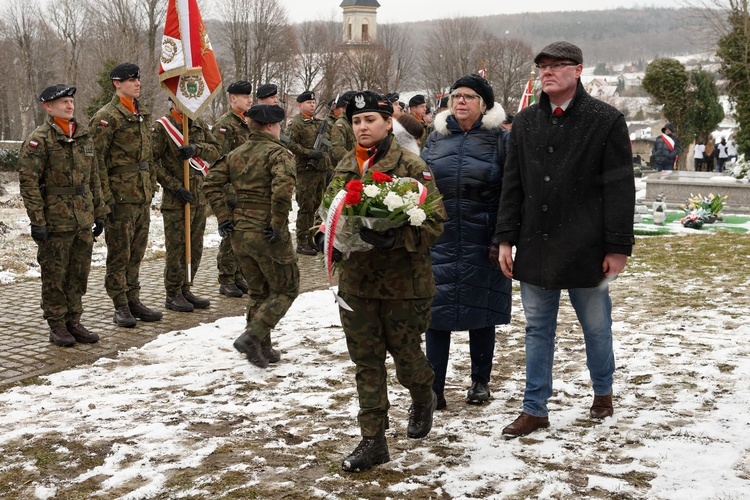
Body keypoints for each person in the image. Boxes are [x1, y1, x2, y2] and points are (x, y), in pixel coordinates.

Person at [495, 41, 635, 438]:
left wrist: (618, 247)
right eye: (542, 66)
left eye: (557, 65)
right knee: (538, 328)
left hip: (588, 248)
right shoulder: (523, 122)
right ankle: (534, 408)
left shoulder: (605, 119)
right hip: (536, 246)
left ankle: (603, 393)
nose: (547, 72)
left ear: (578, 70)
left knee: (596, 326)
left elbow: (620, 188)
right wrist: (505, 239)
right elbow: (513, 186)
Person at [314, 91, 446, 473]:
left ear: (388, 122)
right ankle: (373, 439)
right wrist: (323, 236)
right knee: (366, 362)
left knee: (407, 358)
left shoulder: (410, 166)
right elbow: (327, 211)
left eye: (370, 119)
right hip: (356, 283)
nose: (363, 127)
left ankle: (424, 392)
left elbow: (436, 222)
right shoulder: (344, 166)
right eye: (356, 121)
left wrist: (398, 237)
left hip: (404, 284)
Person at [421, 74, 512, 410]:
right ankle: (434, 388)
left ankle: (480, 381)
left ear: (484, 104)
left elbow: (510, 192)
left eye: (469, 96)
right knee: (437, 313)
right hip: (440, 238)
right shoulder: (435, 138)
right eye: (456, 96)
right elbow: (421, 184)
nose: (461, 101)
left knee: (482, 312)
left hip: (483, 237)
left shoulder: (500, 140)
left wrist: (502, 237)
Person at [204, 104, 299, 367]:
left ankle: (262, 349)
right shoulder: (279, 154)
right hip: (267, 231)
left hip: (240, 232)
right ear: (270, 126)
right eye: (279, 125)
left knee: (259, 292)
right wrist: (277, 223)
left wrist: (224, 217)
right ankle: (252, 337)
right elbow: (282, 191)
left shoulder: (236, 153)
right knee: (286, 289)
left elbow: (210, 182)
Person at [18, 84, 107, 347]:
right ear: (48, 106)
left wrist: (100, 212)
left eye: (71, 101)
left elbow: (95, 177)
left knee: (79, 273)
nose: (70, 106)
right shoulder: (40, 140)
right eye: (63, 102)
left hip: (82, 218)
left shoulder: (83, 136)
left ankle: (74, 321)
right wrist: (38, 221)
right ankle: (57, 324)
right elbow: (29, 183)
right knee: (55, 274)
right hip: (55, 220)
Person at [89, 63, 163, 328]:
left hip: (141, 194)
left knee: (137, 252)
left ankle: (134, 299)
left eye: (138, 79)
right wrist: (104, 200)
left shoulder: (141, 113)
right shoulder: (106, 116)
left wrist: (152, 184)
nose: (137, 83)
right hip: (119, 198)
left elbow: (148, 157)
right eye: (130, 80)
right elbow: (96, 162)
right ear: (116, 84)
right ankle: (120, 305)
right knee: (119, 254)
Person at [152, 100, 220, 312]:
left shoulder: (198, 123)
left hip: (199, 197)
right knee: (177, 248)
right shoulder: (163, 127)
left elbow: (217, 150)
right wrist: (174, 186)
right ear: (172, 100)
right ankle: (173, 293)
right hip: (176, 199)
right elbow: (153, 162)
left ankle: (186, 287)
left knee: (195, 246)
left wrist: (196, 149)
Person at [213, 80, 254, 298]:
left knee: (242, 236)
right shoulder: (224, 125)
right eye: (244, 96)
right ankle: (226, 278)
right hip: (231, 188)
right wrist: (227, 192)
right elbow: (219, 161)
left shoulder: (247, 123)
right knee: (230, 237)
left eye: (250, 96)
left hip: (246, 189)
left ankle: (238, 274)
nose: (249, 100)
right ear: (232, 99)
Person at [287, 90, 331, 255]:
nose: (312, 105)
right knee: (305, 207)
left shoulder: (317, 123)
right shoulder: (296, 124)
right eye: (308, 103)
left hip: (320, 170)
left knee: (315, 206)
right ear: (300, 105)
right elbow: (290, 144)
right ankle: (302, 241)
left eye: (313, 103)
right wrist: (309, 153)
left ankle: (311, 239)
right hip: (305, 171)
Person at [329, 91, 356, 167]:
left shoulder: (356, 122)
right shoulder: (341, 124)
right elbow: (338, 150)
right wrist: (354, 161)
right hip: (347, 168)